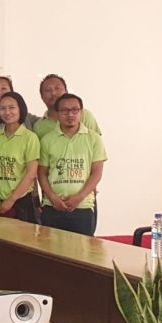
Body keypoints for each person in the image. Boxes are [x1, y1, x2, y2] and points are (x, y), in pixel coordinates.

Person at [38, 94, 106, 236]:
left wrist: (79, 197)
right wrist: (52, 198)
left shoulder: (93, 139)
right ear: (57, 114)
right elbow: (42, 173)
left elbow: (97, 173)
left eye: (75, 110)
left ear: (82, 112)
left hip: (83, 206)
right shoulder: (47, 140)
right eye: (64, 111)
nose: (70, 115)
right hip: (52, 206)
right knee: (50, 253)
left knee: (81, 253)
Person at [0, 91, 41, 223]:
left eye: (12, 107)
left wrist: (11, 199)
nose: (7, 112)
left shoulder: (30, 138)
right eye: (3, 108)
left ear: (21, 109)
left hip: (21, 202)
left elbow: (31, 173)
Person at [32, 74, 102, 139]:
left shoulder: (84, 115)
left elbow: (96, 143)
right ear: (41, 97)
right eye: (48, 90)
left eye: (57, 88)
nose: (53, 93)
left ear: (66, 91)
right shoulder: (38, 127)